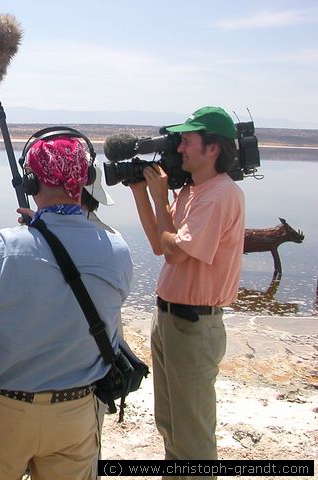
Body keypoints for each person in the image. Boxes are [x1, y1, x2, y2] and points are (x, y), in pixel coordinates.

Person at [0, 133, 133, 480]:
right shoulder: (117, 248)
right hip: (76, 412)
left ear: (30, 181)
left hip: (3, 411)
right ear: (86, 179)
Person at [129, 106, 244, 477]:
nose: (179, 148)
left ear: (213, 149)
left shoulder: (219, 195)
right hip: (170, 319)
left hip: (193, 326)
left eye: (187, 140)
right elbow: (159, 244)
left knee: (192, 439)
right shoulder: (195, 192)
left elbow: (176, 252)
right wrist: (140, 193)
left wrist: (161, 195)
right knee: (171, 427)